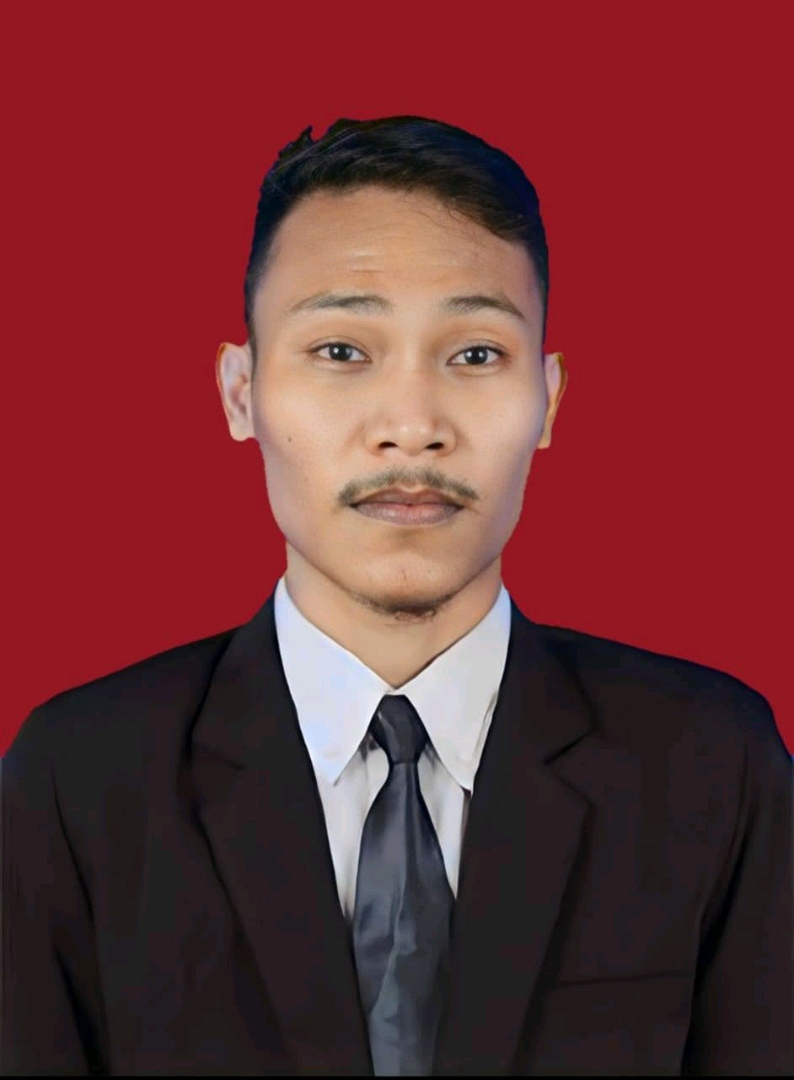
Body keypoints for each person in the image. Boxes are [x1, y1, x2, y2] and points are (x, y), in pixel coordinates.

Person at [2, 116, 791, 1077]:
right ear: (241, 393)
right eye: (341, 350)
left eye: (475, 355)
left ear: (548, 401)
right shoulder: (80, 781)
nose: (412, 427)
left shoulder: (711, 763)